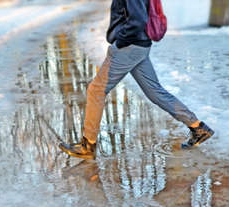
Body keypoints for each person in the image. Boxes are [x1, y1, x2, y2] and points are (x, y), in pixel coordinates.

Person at [59, 0, 214, 160]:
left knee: (96, 90)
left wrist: (121, 42)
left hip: (129, 46)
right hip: (139, 45)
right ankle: (198, 127)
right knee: (156, 92)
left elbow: (138, 19)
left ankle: (87, 146)